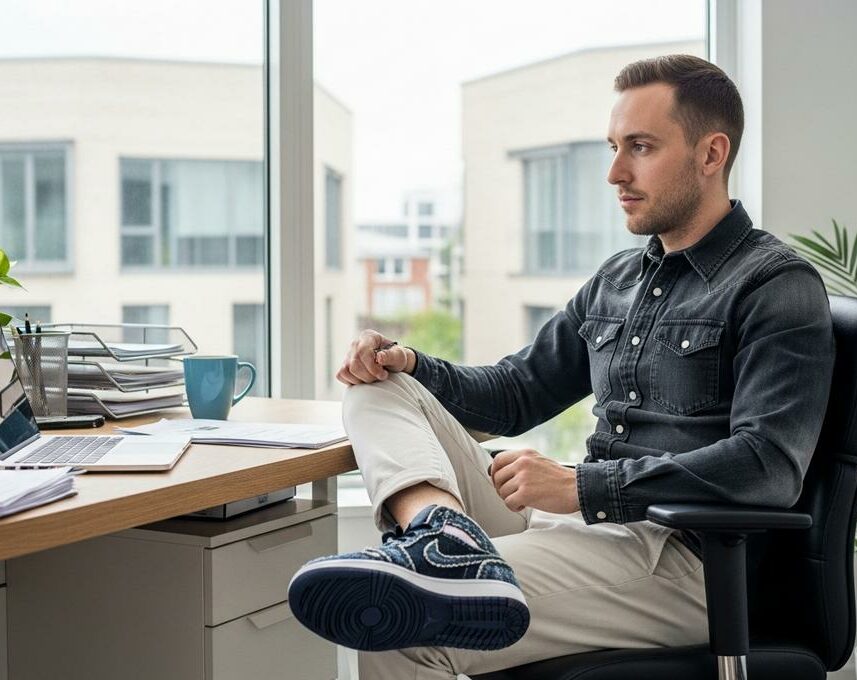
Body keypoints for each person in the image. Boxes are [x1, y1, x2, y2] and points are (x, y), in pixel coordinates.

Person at [288, 54, 836, 679]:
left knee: (399, 617)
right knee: (380, 387)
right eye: (613, 147)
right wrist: (408, 361)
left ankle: (443, 566)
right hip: (584, 531)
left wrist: (581, 487)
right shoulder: (621, 279)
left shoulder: (775, 286)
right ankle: (442, 536)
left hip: (692, 562)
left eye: (641, 147)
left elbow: (768, 467)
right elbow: (513, 395)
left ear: (711, 155)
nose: (615, 172)